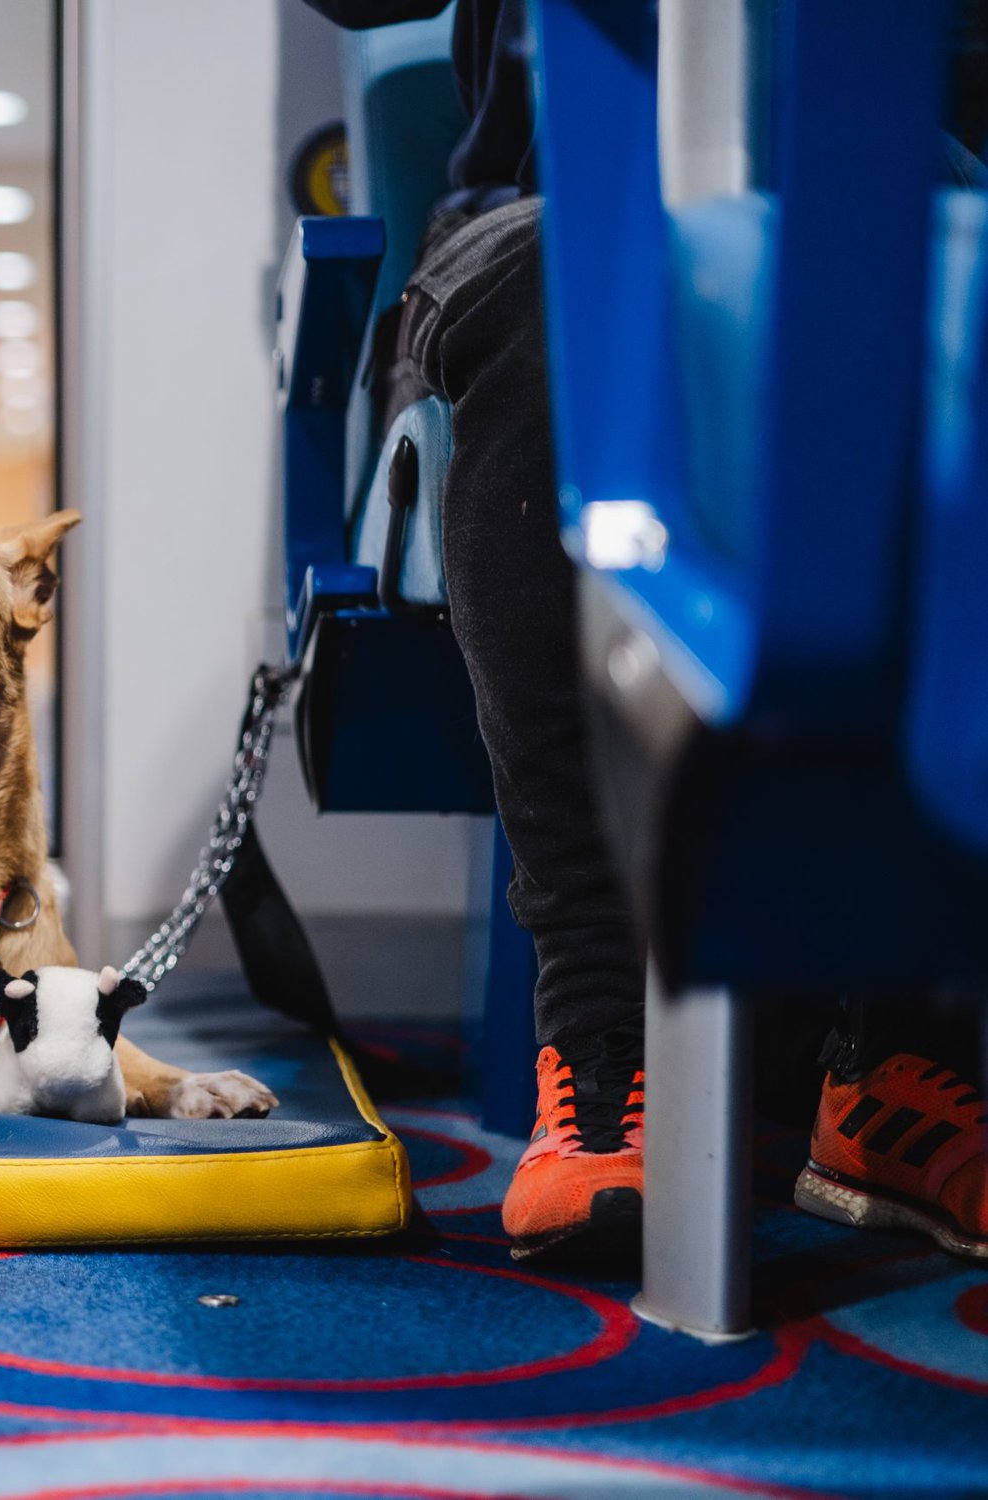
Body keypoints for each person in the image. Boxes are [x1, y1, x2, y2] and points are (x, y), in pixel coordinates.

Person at [300, 0, 985, 1264]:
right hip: (555, 198)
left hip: (910, 191)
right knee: (577, 297)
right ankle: (604, 1037)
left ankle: (907, 1056)